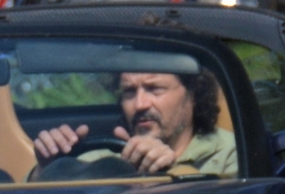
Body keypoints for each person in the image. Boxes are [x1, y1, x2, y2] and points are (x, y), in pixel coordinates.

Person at [29, 69, 237, 177]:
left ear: (193, 95)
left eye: (155, 89)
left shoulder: (233, 152)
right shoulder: (101, 158)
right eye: (129, 91)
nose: (140, 104)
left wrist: (171, 175)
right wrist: (49, 168)